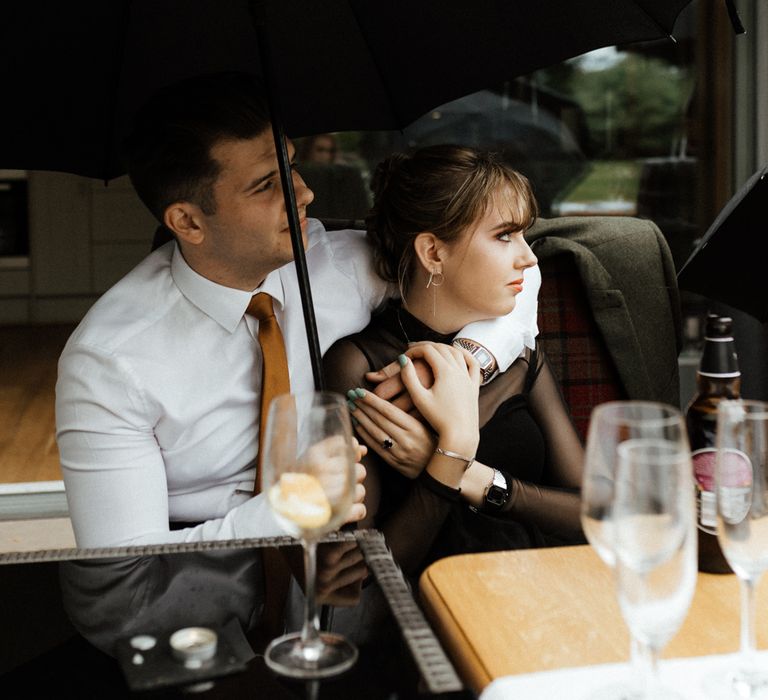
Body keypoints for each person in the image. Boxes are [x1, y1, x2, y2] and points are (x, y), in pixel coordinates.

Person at [55, 73, 542, 549]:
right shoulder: (109, 362)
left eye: (291, 166)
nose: (303, 193)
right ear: (187, 221)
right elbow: (122, 563)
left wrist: (470, 359)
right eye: (267, 184)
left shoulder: (341, 264)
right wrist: (289, 508)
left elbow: (507, 274)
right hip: (197, 575)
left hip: (342, 565)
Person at [323, 145, 586, 577]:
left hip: (545, 594)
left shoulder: (517, 359)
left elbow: (595, 517)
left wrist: (459, 469)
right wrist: (449, 463)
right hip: (432, 616)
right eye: (504, 236)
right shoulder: (359, 368)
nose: (529, 257)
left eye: (524, 235)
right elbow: (363, 572)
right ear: (433, 252)